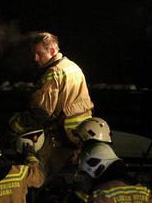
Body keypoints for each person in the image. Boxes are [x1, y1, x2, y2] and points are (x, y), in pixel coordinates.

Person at [11, 32, 95, 182]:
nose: (35, 59)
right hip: (83, 134)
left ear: (52, 51)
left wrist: (15, 125)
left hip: (62, 135)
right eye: (33, 53)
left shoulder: (53, 73)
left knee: (40, 176)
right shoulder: (72, 66)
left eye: (39, 54)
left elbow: (42, 112)